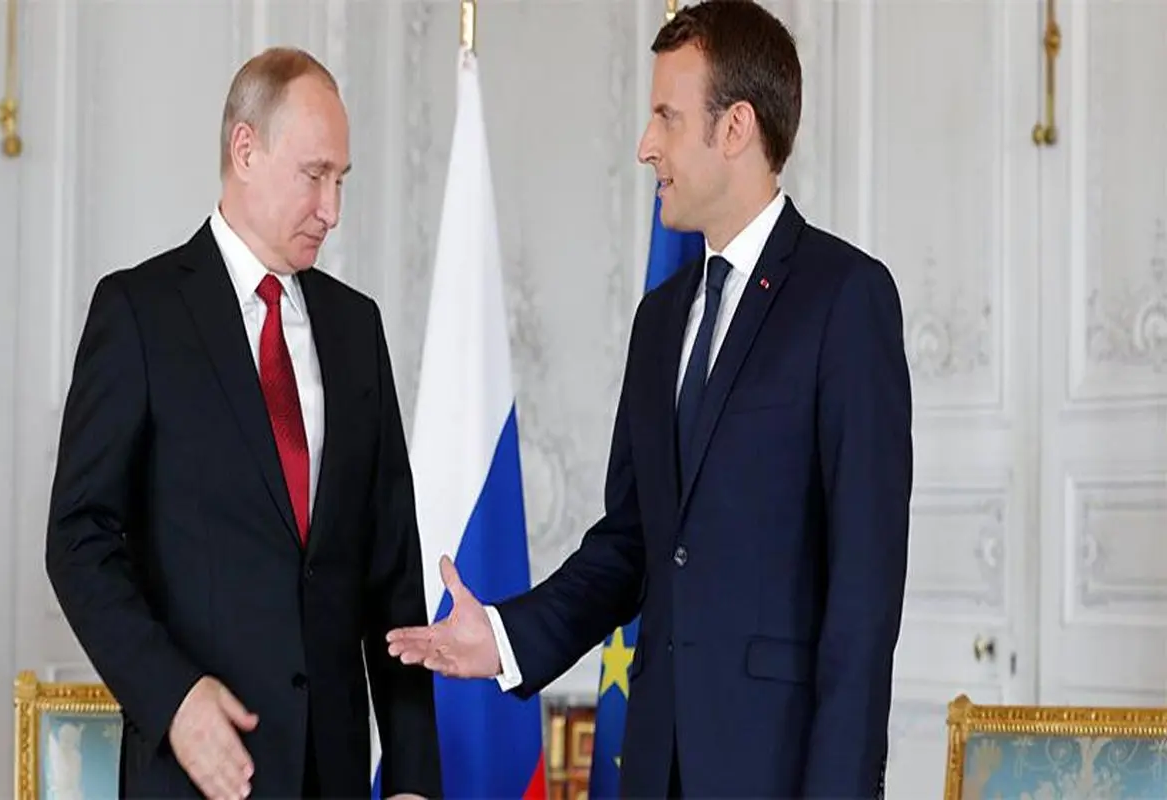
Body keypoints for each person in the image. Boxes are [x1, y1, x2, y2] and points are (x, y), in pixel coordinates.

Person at [385, 1, 912, 797]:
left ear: (735, 128)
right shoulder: (661, 320)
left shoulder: (846, 299)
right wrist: (505, 637)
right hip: (654, 765)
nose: (645, 146)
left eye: (667, 116)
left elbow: (864, 595)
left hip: (777, 772)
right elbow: (631, 543)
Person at [45, 47, 441, 800]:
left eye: (342, 180)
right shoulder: (138, 313)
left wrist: (413, 778)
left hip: (334, 776)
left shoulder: (357, 328)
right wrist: (172, 697)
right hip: (195, 771)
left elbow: (393, 575)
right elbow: (77, 540)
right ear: (246, 149)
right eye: (315, 175)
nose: (332, 209)